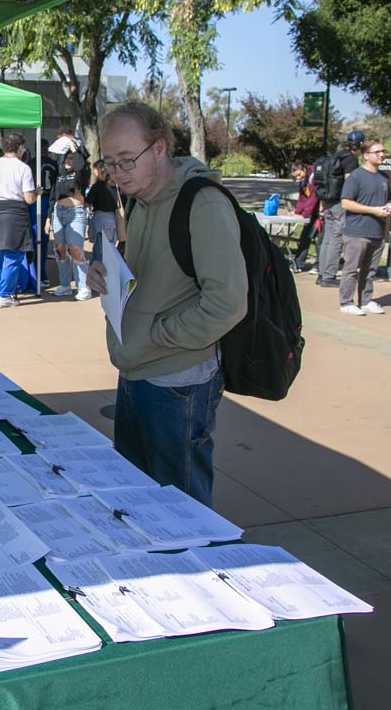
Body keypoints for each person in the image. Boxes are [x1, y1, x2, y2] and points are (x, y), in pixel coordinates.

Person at [85, 103, 247, 507]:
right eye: (110, 163)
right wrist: (105, 273)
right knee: (138, 502)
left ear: (159, 149)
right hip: (137, 369)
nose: (119, 174)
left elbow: (227, 304)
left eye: (127, 161)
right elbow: (151, 273)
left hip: (178, 381)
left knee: (182, 513)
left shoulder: (203, 203)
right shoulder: (143, 198)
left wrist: (158, 334)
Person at [337, 139, 391, 316]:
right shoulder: (356, 176)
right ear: (366, 155)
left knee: (370, 270)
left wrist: (388, 208)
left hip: (377, 231)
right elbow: (346, 203)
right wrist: (373, 210)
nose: (382, 155)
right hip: (357, 232)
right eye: (377, 152)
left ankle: (366, 300)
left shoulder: (384, 177)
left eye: (383, 151)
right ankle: (346, 302)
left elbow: (387, 200)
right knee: (351, 269)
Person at [0, 133, 36, 308]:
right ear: (19, 147)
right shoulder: (23, 168)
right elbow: (29, 199)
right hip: (16, 214)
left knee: (1, 255)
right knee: (14, 255)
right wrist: (37, 193)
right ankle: (4, 294)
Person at [317, 130, 364, 287]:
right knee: (336, 239)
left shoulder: (337, 156)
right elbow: (349, 182)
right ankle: (329, 276)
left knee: (328, 238)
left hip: (329, 200)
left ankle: (322, 272)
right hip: (340, 203)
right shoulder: (350, 160)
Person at [51, 151, 92, 300]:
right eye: (66, 158)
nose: (68, 161)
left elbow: (82, 165)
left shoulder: (80, 174)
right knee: (60, 250)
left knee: (75, 249)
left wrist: (75, 148)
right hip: (58, 212)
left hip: (75, 212)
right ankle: (65, 285)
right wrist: (49, 217)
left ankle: (83, 287)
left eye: (72, 158)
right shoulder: (60, 174)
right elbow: (53, 195)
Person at [291, 163, 320, 273]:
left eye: (299, 175)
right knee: (305, 237)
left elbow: (313, 197)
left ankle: (319, 265)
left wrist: (304, 214)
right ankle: (298, 263)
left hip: (320, 212)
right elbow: (302, 198)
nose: (298, 178)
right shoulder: (303, 182)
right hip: (311, 213)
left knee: (319, 239)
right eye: (295, 177)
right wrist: (297, 212)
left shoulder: (313, 177)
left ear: (304, 169)